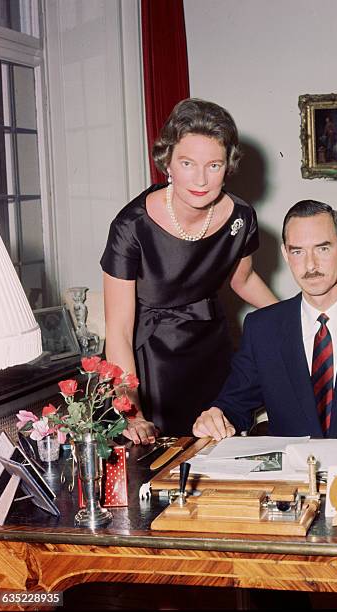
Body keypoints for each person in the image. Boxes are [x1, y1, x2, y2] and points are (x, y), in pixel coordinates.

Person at [101, 98, 277, 443]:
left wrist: (297, 318)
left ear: (228, 166)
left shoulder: (241, 217)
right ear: (167, 162)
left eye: (214, 165)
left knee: (218, 452)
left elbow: (243, 280)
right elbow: (118, 329)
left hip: (210, 348)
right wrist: (132, 413)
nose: (200, 179)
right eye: (187, 163)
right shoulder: (131, 226)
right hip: (150, 361)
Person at [193, 200, 337, 442]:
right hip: (290, 477)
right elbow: (233, 405)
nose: (310, 265)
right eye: (298, 251)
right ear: (286, 254)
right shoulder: (262, 328)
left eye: (323, 248)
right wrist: (215, 417)